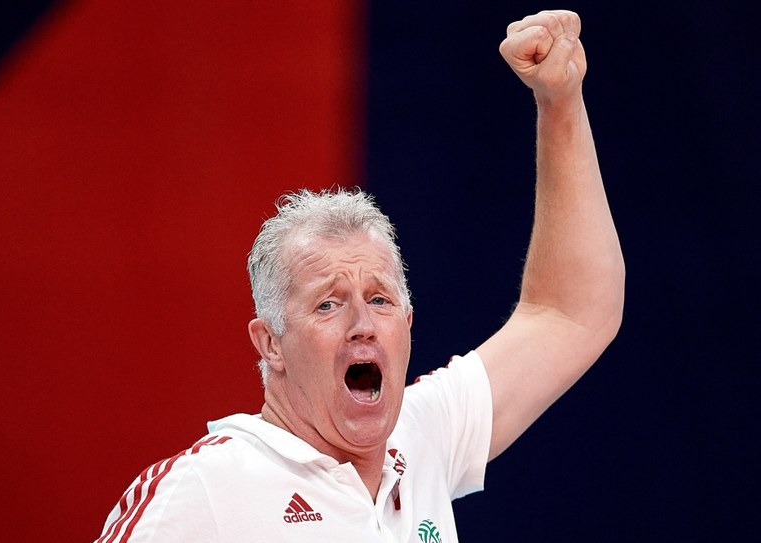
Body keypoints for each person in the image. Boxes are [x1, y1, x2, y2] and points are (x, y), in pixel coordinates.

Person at [96, 9, 624, 542]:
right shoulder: (204, 492)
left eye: (380, 300)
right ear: (270, 343)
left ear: (410, 324)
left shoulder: (422, 437)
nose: (362, 324)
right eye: (327, 304)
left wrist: (560, 103)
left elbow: (570, 312)